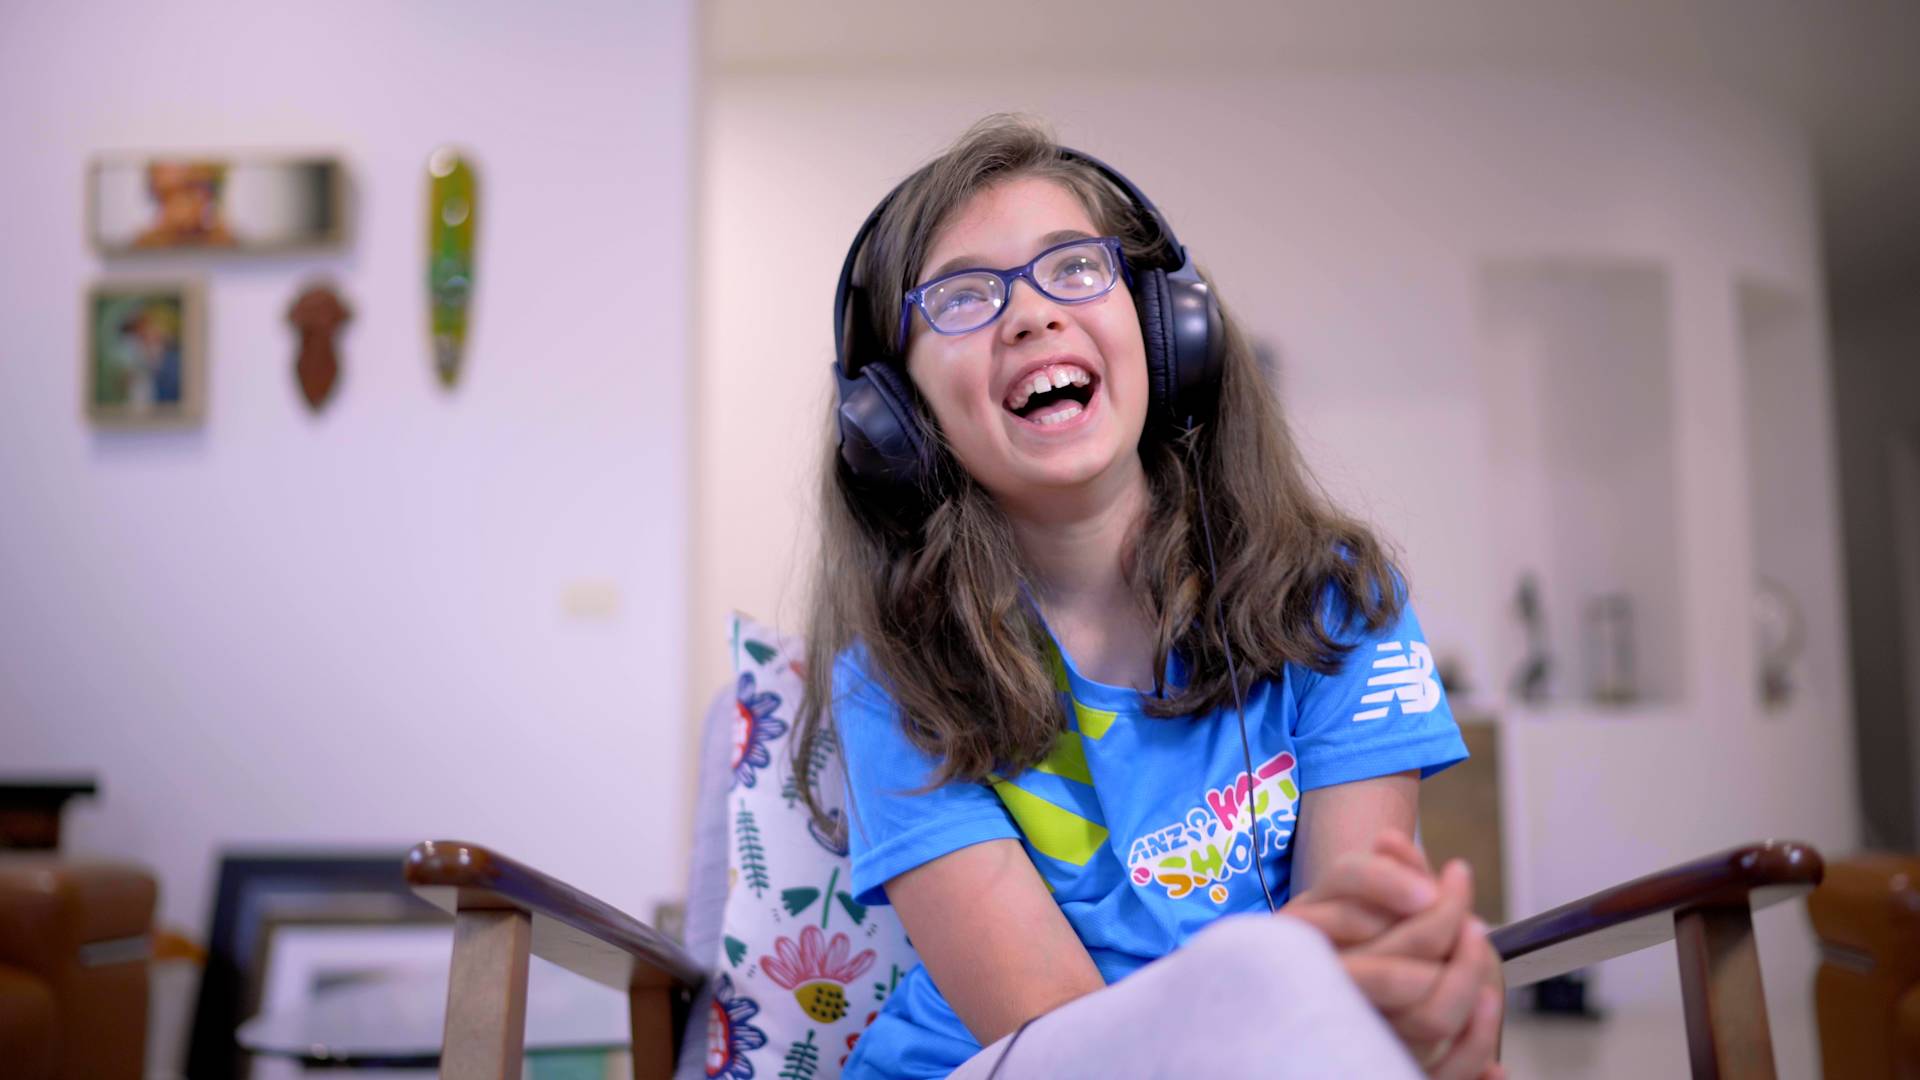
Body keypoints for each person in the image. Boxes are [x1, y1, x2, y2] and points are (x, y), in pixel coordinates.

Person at [792, 114, 1503, 1079]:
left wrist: (1415, 1003)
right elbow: (1059, 1041)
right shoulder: (896, 676)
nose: (1032, 315)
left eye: (1075, 267)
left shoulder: (1336, 600)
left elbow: (1351, 978)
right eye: (961, 296)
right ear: (896, 414)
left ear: (1167, 327)